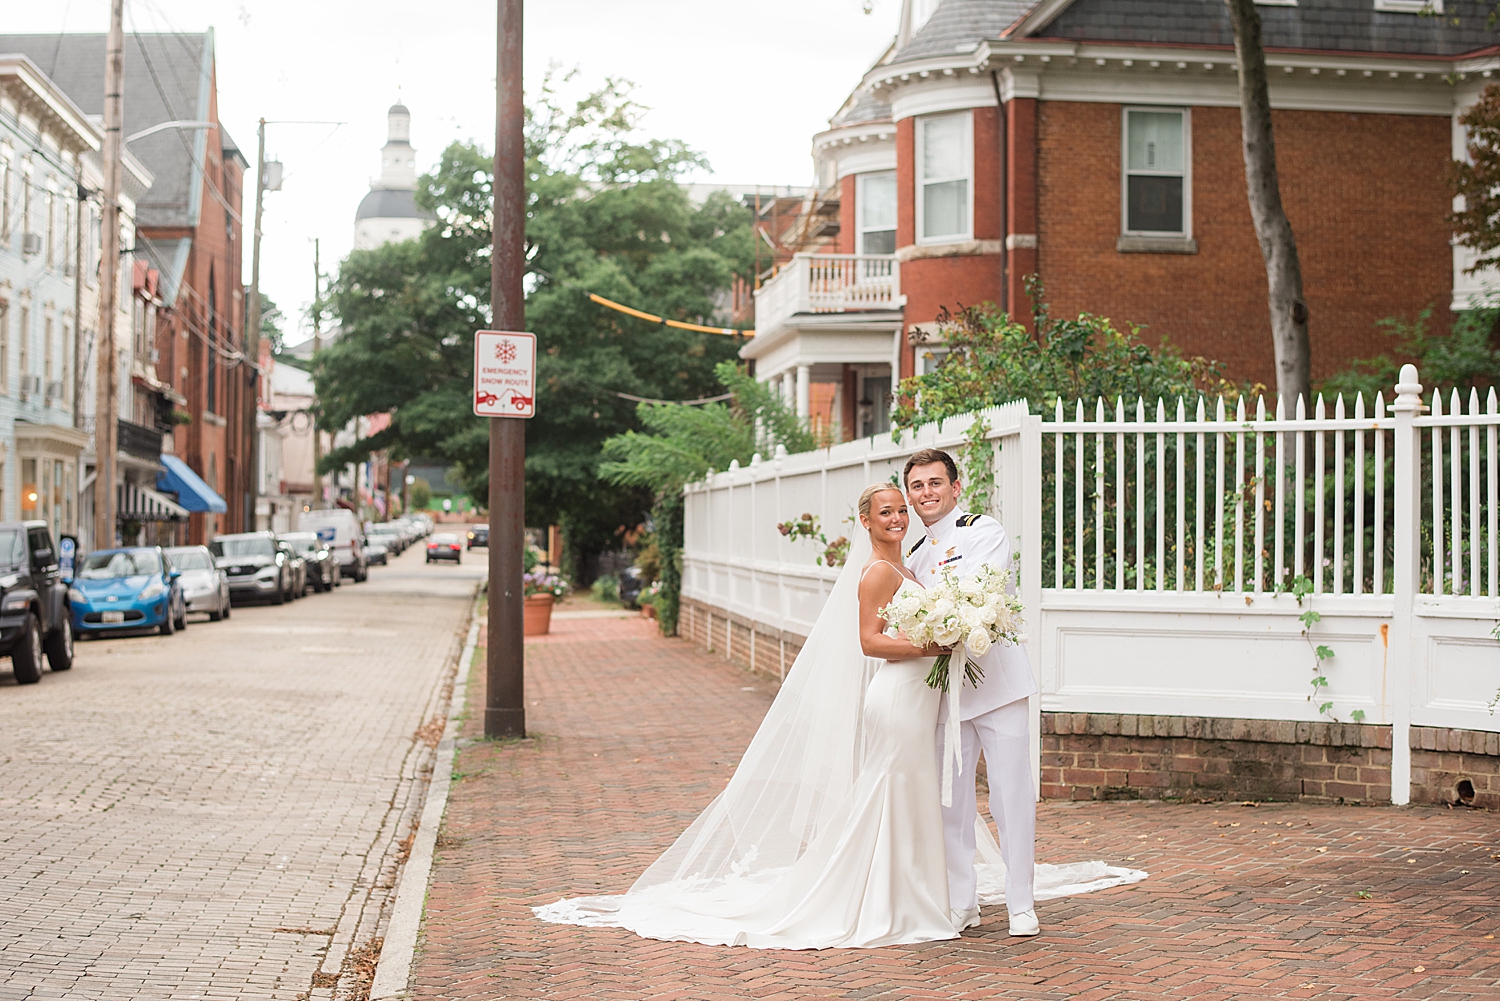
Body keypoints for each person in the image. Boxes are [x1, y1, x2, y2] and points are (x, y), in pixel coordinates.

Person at [533, 484, 958, 949]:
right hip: (897, 699)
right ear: (866, 521)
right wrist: (932, 645)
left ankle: (903, 894)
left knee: (904, 793)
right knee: (892, 791)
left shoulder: (904, 563)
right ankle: (887, 901)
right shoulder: (878, 571)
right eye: (886, 512)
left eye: (901, 510)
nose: (897, 518)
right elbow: (869, 642)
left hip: (915, 698)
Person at [903, 447, 1041, 938]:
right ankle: (962, 901)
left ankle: (1021, 902)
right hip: (947, 693)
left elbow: (980, 591)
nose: (926, 494)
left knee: (1012, 797)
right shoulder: (913, 556)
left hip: (998, 682)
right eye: (917, 486)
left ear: (955, 488)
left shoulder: (983, 531)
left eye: (935, 483)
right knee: (951, 803)